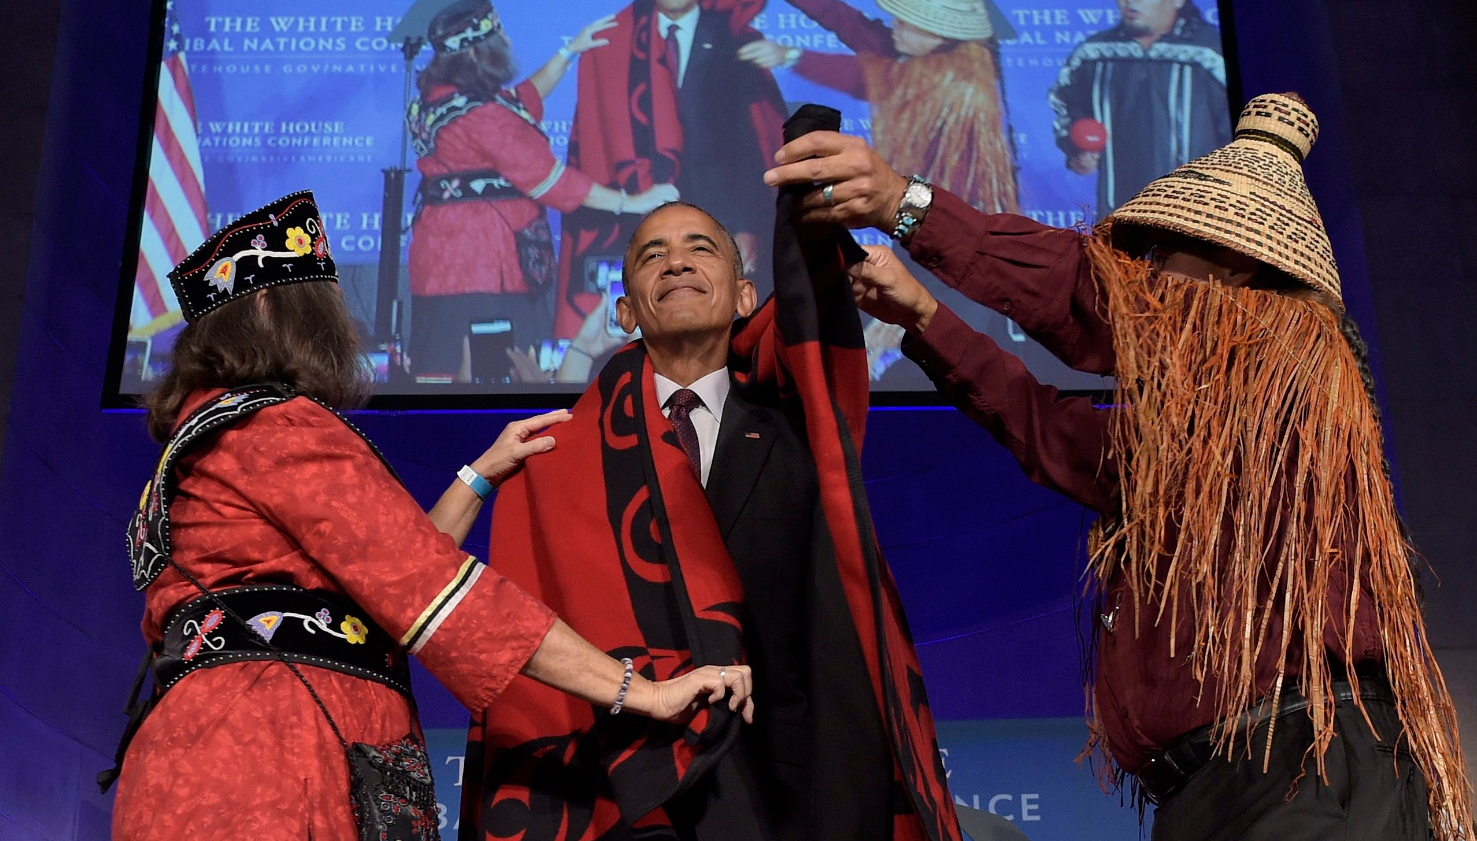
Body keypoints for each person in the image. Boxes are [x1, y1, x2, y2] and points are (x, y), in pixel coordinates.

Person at [763, 95, 1472, 840]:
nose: (1144, 272)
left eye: (1161, 254)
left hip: (1305, 769)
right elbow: (1058, 439)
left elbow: (1081, 292)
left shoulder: (1284, 344)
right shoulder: (1204, 432)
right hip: (1225, 784)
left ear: (1231, 265)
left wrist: (901, 202)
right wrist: (925, 320)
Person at [107, 191, 752, 840]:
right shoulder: (278, 427)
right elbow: (435, 591)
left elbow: (378, 577)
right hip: (272, 759)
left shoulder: (202, 440)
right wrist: (638, 689)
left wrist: (477, 476)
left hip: (191, 759)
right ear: (276, 308)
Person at [461, 115, 959, 841]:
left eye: (702, 248)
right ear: (625, 310)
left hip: (787, 786)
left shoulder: (801, 431)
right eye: (652, 254)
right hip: (626, 784)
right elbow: (510, 632)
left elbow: (817, 309)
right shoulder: (559, 458)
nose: (677, 263)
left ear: (744, 296)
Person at [406, 0, 678, 380]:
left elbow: (521, 100)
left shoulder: (438, 101)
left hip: (439, 265)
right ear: (475, 50)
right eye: (499, 35)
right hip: (485, 269)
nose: (508, 40)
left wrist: (569, 52)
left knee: (441, 367)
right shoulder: (485, 119)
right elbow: (553, 181)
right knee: (497, 377)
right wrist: (632, 202)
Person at [551, 0, 788, 338]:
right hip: (637, 230)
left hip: (719, 226)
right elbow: (595, 145)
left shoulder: (732, 37)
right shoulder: (614, 42)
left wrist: (748, 227)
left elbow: (750, 146)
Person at [739, 0, 1018, 215]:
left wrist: (790, 55)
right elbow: (851, 25)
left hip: (950, 214)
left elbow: (869, 77)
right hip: (916, 203)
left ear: (940, 35)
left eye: (906, 23)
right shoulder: (923, 48)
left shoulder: (958, 74)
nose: (894, 24)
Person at [1048, 0, 1231, 214]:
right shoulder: (1094, 53)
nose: (1131, 2)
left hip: (1197, 212)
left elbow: (1242, 128)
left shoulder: (1211, 53)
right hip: (1118, 213)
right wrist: (1077, 150)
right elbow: (1064, 101)